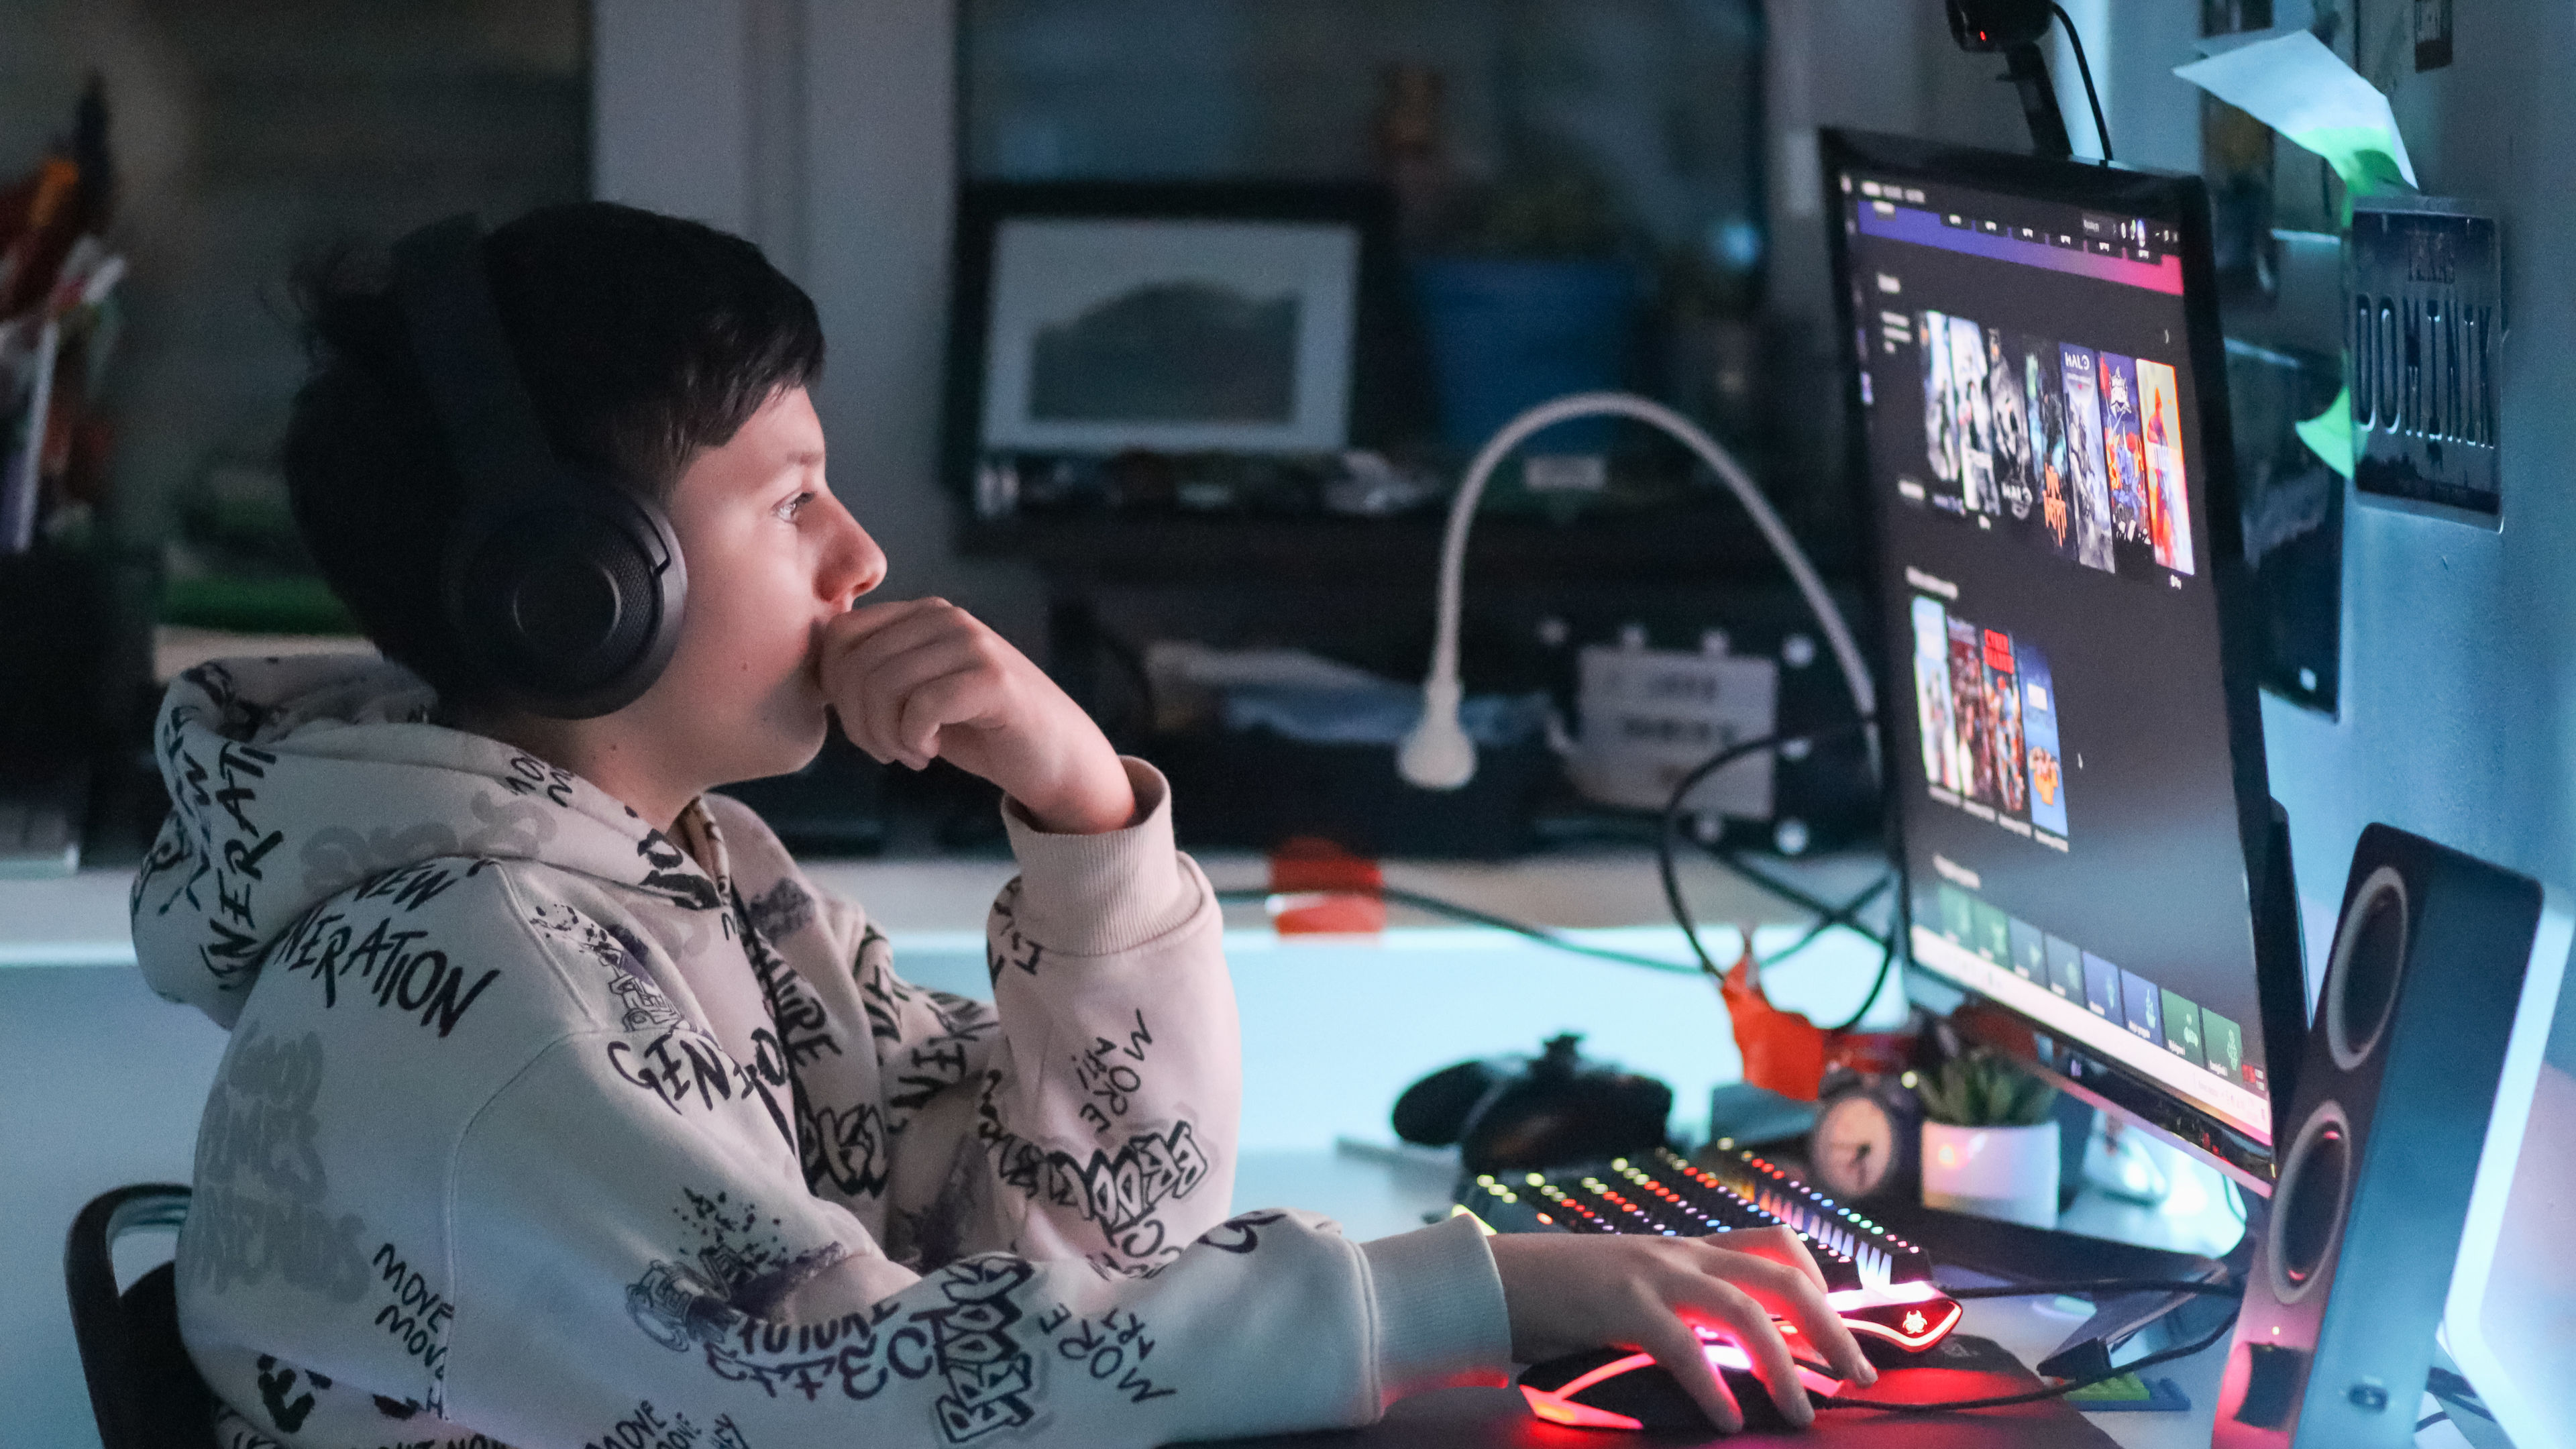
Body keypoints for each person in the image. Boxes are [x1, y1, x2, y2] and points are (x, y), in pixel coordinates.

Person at [132, 202, 1873, 1449]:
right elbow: (888, 1393)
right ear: (579, 592)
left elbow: (1093, 1237)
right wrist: (1462, 1292)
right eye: (792, 498)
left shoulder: (699, 888)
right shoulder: (501, 991)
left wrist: (1087, 810)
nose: (861, 558)